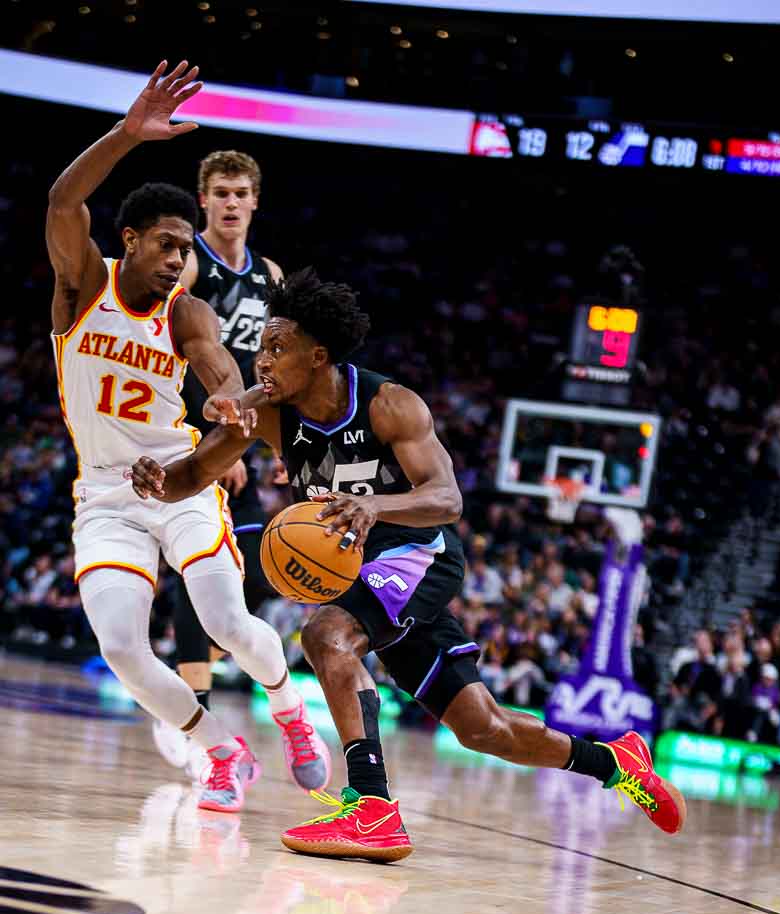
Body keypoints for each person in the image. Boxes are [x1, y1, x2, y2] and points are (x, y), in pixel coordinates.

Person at [131, 268, 685, 861]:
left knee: (325, 633)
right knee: (482, 728)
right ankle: (616, 761)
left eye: (276, 348)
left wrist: (375, 504)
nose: (261, 362)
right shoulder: (268, 412)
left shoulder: (390, 404)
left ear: (318, 356)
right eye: (262, 347)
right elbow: (192, 476)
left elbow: (447, 499)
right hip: (363, 574)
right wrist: (155, 481)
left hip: (418, 553)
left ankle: (371, 806)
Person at [46, 59, 330, 812]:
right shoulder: (82, 284)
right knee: (121, 649)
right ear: (131, 239)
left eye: (185, 250)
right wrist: (126, 134)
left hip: (180, 479)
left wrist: (230, 409)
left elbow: (219, 373)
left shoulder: (185, 311)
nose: (179, 259)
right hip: (105, 493)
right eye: (167, 245)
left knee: (226, 622)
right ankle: (218, 752)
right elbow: (63, 197)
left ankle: (291, 711)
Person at [152, 147, 285, 777]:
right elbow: (170, 350)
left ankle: (195, 685)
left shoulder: (271, 276)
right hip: (189, 433)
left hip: (247, 440)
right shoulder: (188, 266)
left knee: (256, 568)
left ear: (256, 201)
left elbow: (279, 366)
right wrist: (210, 447)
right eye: (221, 193)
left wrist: (290, 448)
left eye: (241, 193)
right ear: (203, 199)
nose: (231, 203)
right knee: (202, 570)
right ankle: (190, 706)